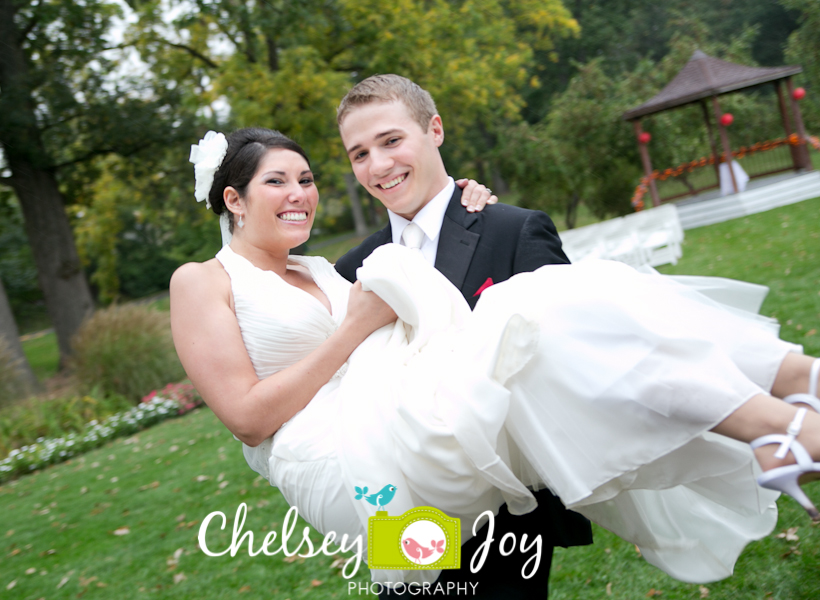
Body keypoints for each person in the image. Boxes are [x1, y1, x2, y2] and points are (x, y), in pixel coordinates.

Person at [170, 126, 820, 594]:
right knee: (537, 312)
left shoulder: (327, 269)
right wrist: (354, 330)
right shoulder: (201, 280)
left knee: (563, 302)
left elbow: (418, 277)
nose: (299, 195)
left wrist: (457, 204)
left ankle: (784, 409)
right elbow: (248, 419)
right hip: (342, 468)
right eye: (276, 182)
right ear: (234, 200)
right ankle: (791, 406)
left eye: (307, 180)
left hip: (402, 417)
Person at [332, 74, 590, 598]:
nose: (378, 165)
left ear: (435, 130)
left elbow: (566, 355)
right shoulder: (352, 269)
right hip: (399, 500)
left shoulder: (512, 231)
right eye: (359, 154)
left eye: (391, 141)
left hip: (503, 506)